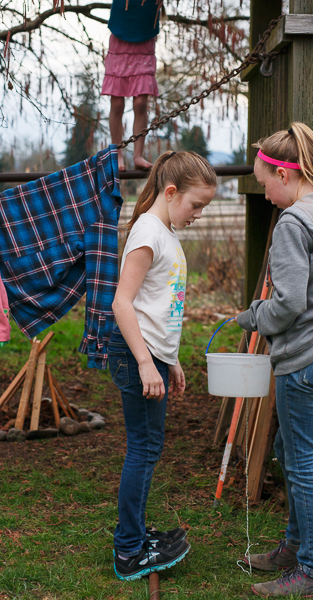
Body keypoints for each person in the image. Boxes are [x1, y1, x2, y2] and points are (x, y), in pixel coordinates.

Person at [236, 123, 313, 599]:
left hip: (304, 355)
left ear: (285, 176)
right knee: (291, 453)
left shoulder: (293, 223)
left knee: (304, 463)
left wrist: (252, 317)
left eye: (264, 182)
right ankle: (295, 546)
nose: (265, 194)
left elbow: (287, 305)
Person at [109, 151, 217, 580]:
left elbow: (159, 307)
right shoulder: (147, 234)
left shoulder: (165, 231)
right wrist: (145, 364)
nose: (198, 215)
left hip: (154, 356)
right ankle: (129, 550)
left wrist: (168, 362)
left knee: (148, 447)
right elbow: (122, 302)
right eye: (196, 205)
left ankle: (135, 533)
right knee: (144, 448)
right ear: (171, 193)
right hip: (137, 356)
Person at [102, 0, 162, 172]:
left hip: (145, 29)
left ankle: (137, 156)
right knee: (117, 103)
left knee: (141, 102)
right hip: (121, 28)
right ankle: (117, 154)